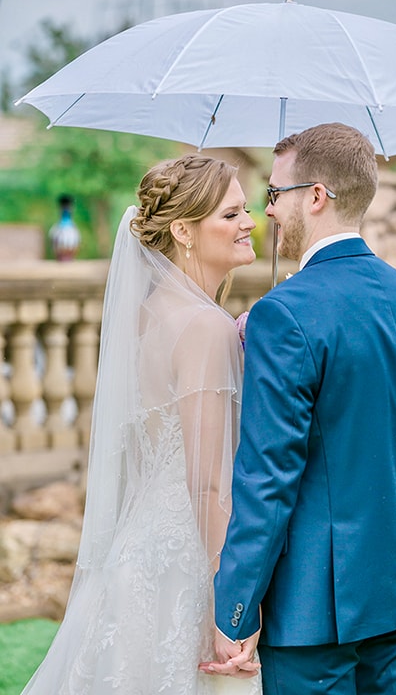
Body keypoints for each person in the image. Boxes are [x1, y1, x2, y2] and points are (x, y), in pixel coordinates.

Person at [201, 123, 396, 694]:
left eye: (274, 194)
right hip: (395, 590)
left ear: (315, 196)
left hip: (311, 610)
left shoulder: (284, 314)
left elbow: (267, 477)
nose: (268, 212)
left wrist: (234, 609)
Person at [20, 153, 262, 694]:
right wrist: (234, 605)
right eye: (231, 214)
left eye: (247, 210)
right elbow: (205, 484)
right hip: (187, 567)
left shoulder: (146, 313)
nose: (249, 223)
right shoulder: (206, 327)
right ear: (184, 230)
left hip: (140, 555)